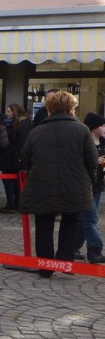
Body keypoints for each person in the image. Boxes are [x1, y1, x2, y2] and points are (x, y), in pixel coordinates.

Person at [19, 91, 98, 277]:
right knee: (71, 221)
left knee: (43, 224)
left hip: (42, 184)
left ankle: (45, 267)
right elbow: (92, 161)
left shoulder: (36, 131)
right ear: (72, 107)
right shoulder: (82, 130)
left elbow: (25, 158)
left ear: (49, 108)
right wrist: (89, 182)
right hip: (75, 185)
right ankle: (64, 261)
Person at [74, 112, 105, 263]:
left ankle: (73, 247)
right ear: (93, 128)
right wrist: (95, 161)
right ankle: (95, 249)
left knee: (84, 218)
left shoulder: (103, 143)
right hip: (86, 185)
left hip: (98, 184)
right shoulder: (85, 142)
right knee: (91, 218)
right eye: (102, 125)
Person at [0, 104, 32, 213]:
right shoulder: (12, 124)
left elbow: (21, 143)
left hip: (13, 157)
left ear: (14, 112)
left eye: (9, 111)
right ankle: (14, 203)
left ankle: (13, 204)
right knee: (11, 181)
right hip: (9, 156)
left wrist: (18, 158)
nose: (7, 114)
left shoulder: (21, 124)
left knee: (13, 181)